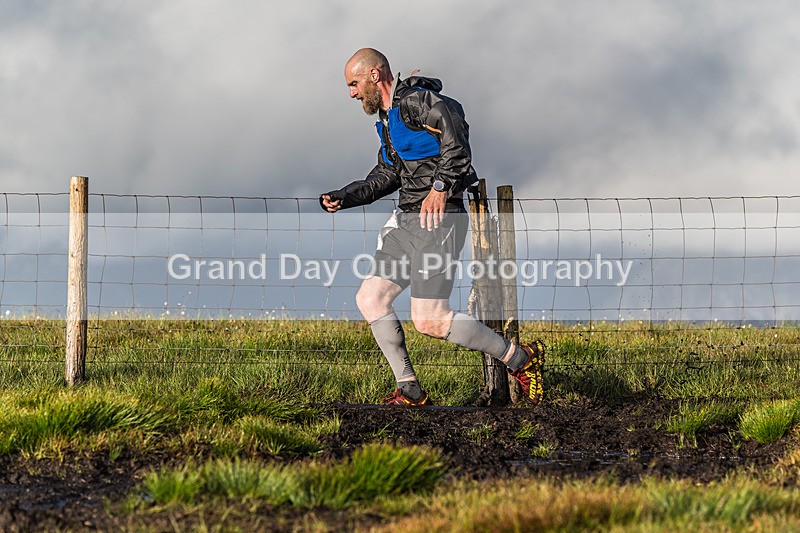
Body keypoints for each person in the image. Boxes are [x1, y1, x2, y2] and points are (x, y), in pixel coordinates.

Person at [320, 48, 544, 406]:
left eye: (354, 83)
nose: (352, 93)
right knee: (371, 298)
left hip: (438, 220)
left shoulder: (417, 101)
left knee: (430, 320)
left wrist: (440, 188)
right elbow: (388, 174)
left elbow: (457, 140)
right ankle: (410, 390)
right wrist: (344, 196)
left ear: (375, 75)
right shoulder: (388, 119)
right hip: (406, 222)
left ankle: (521, 359)